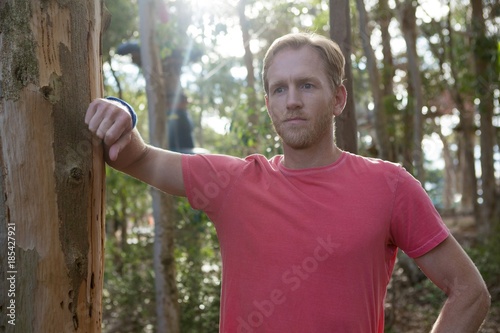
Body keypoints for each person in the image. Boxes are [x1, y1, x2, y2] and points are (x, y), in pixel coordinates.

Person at [86, 33, 490, 332]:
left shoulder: (390, 186)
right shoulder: (232, 183)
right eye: (279, 89)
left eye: (307, 85)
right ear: (268, 104)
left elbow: (470, 292)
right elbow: (135, 156)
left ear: (338, 98)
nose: (291, 100)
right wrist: (119, 112)